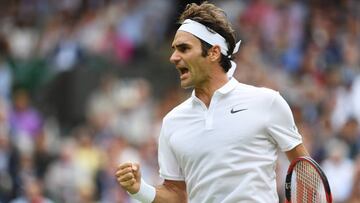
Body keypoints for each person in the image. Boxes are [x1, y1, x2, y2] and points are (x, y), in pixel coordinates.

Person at [115, 2, 308, 202]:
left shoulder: (267, 102)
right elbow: (176, 194)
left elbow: (305, 170)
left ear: (214, 53)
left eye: (184, 48)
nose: (173, 57)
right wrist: (139, 189)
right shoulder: (172, 121)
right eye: (174, 49)